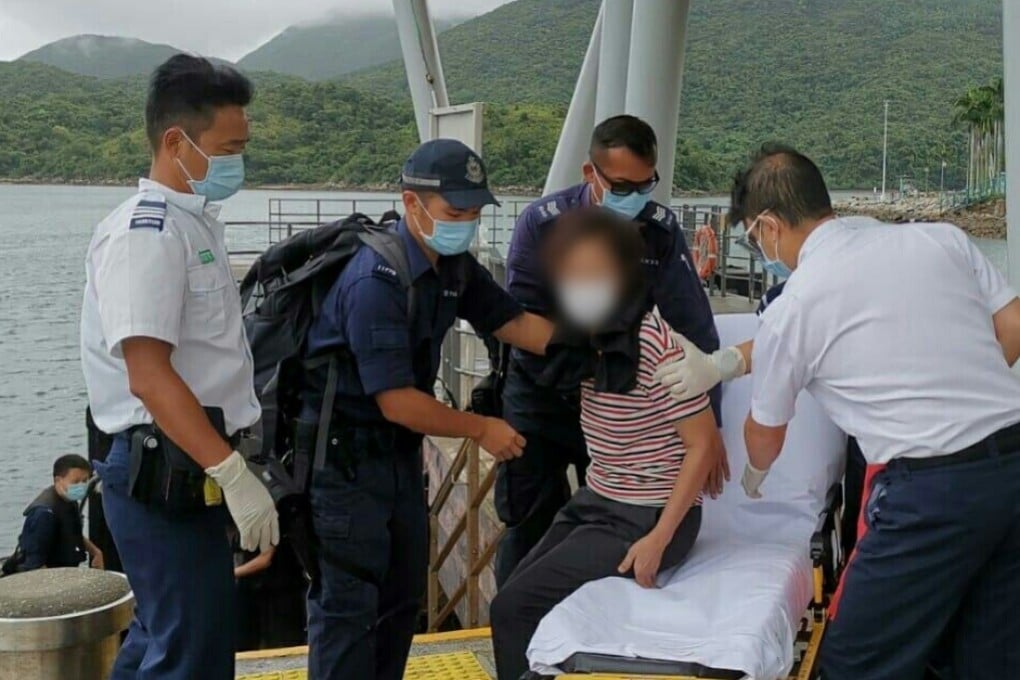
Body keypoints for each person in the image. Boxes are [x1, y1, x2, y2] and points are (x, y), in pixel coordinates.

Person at [712, 145, 1020, 679]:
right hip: (1013, 463)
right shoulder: (938, 240)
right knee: (987, 656)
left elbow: (766, 431)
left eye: (751, 236)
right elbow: (1013, 323)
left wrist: (754, 477)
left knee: (856, 661)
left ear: (768, 226)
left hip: (930, 494)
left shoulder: (798, 300)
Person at [301, 138, 555, 680]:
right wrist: (481, 427)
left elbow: (516, 325)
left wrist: (611, 343)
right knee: (348, 613)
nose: (465, 223)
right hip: (343, 472)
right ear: (412, 204)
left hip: (397, 466)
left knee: (399, 605)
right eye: (453, 212)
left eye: (473, 213)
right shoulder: (376, 280)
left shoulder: (455, 268)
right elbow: (396, 401)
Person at [80, 55, 278, 680]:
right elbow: (148, 375)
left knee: (164, 635)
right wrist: (233, 472)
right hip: (163, 473)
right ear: (177, 141)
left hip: (186, 468)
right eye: (229, 148)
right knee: (192, 653)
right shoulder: (147, 236)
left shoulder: (193, 223)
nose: (237, 162)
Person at [489, 208, 719, 680]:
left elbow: (703, 445)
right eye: (573, 274)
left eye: (596, 273)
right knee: (515, 593)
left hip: (646, 514)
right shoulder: (587, 334)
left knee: (512, 608)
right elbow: (513, 324)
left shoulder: (655, 344)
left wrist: (658, 539)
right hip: (597, 501)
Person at [497, 114, 724, 586]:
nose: (634, 197)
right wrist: (588, 358)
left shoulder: (658, 232)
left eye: (646, 184)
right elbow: (520, 322)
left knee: (603, 532)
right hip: (541, 396)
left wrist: (711, 424)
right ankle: (513, 632)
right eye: (620, 185)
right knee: (527, 525)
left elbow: (696, 331)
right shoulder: (541, 226)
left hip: (616, 409)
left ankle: (583, 643)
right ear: (590, 175)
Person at [2, 455, 103, 574]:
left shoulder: (69, 500)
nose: (81, 486)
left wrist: (96, 552)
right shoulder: (44, 514)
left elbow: (73, 533)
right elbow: (35, 564)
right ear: (58, 480)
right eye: (75, 482)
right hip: (40, 576)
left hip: (65, 569)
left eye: (85, 481)